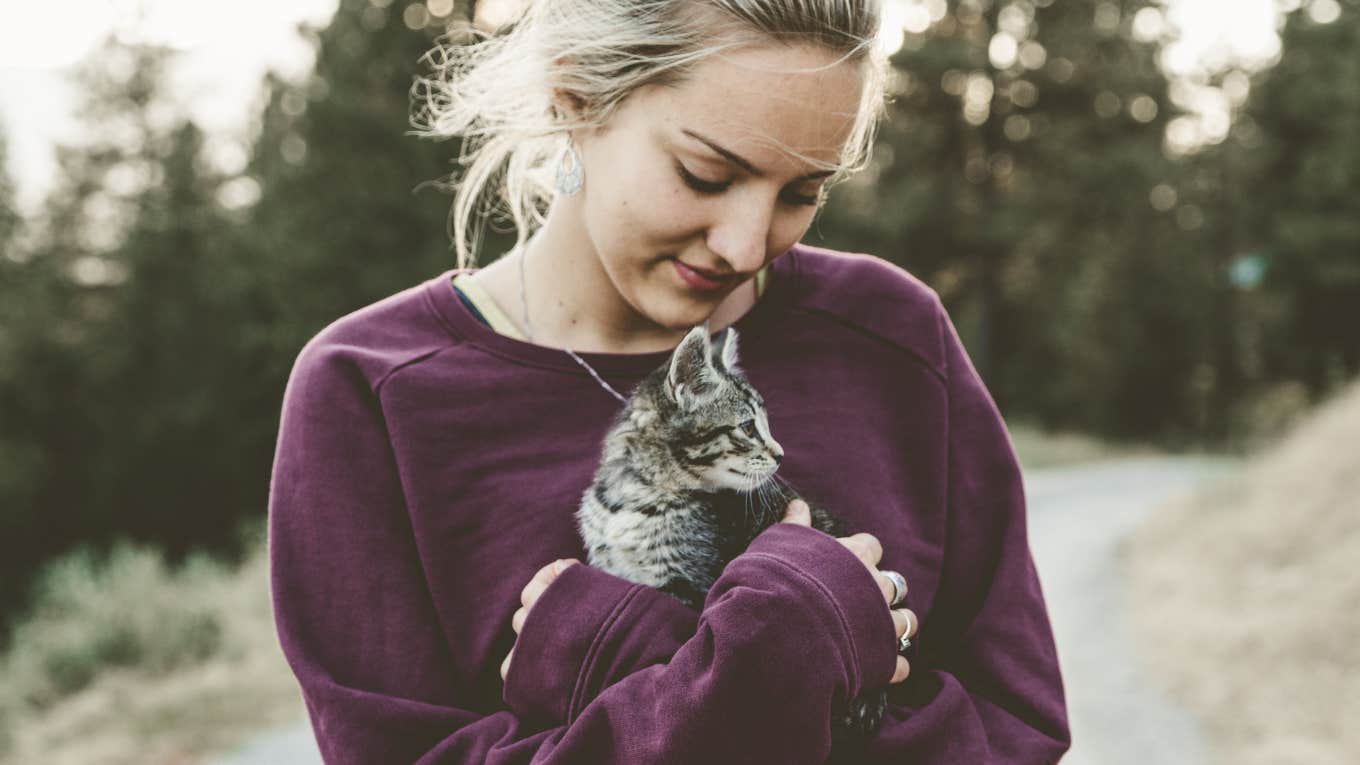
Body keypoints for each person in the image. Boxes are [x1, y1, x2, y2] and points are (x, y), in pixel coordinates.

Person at [267, 0, 1070, 762]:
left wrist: (619, 661)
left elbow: (1019, 732)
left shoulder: (893, 339)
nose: (748, 245)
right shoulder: (370, 396)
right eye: (705, 174)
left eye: (802, 193)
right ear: (576, 94)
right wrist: (777, 654)